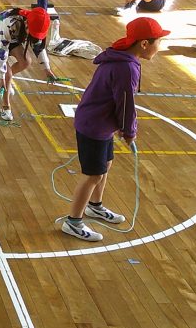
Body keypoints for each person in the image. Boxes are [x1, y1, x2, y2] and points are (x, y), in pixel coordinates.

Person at [61, 17, 170, 242]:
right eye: (158, 41)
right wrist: (129, 131)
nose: (160, 47)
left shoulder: (121, 57)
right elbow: (126, 104)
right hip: (95, 125)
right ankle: (72, 222)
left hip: (100, 122)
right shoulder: (126, 68)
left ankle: (95, 206)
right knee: (93, 175)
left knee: (106, 165)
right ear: (144, 44)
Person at [0, 6, 55, 121]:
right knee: (7, 74)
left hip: (14, 37)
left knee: (26, 62)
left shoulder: (35, 24)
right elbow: (1, 51)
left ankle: (7, 81)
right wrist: (2, 77)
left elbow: (38, 46)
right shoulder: (9, 24)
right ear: (27, 24)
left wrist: (47, 69)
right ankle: (5, 107)